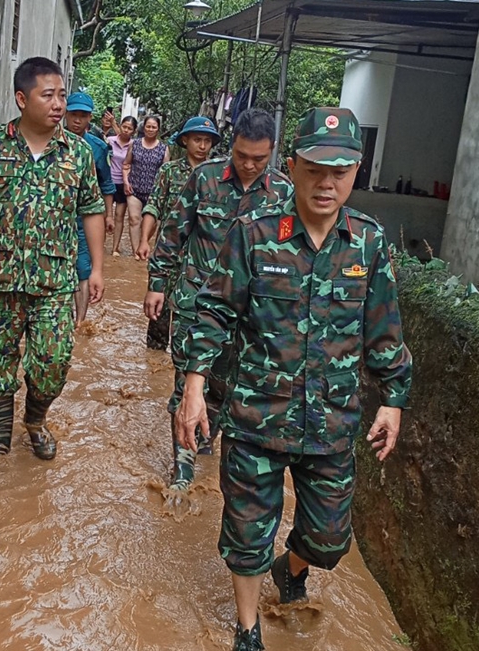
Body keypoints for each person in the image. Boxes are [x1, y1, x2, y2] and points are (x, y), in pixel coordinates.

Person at [174, 107, 413, 650]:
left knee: (330, 538)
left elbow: (385, 330)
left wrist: (393, 399)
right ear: (293, 165)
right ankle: (247, 626)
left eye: (341, 172)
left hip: (331, 420)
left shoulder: (368, 244)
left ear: (356, 171)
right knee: (246, 535)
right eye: (314, 169)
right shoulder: (255, 233)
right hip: (258, 413)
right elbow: (214, 311)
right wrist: (193, 388)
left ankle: (294, 567)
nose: (327, 184)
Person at [0, 57, 106, 466]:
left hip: (55, 283)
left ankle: (35, 422)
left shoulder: (78, 154)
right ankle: (0, 438)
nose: (59, 103)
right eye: (49, 95)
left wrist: (96, 268)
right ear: (22, 99)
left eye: (62, 94)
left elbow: (92, 210)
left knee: (53, 363)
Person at [144, 108, 293, 498]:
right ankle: (182, 470)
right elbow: (175, 233)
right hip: (196, 304)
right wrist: (157, 284)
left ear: (272, 152)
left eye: (258, 159)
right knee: (186, 383)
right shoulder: (205, 178)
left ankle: (207, 437)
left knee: (230, 389)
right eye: (241, 155)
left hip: (251, 317)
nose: (247, 165)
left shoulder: (283, 192)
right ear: (233, 146)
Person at [137, 116, 221, 351]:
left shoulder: (218, 176)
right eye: (197, 140)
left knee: (197, 314)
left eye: (207, 141)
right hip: (169, 255)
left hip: (203, 260)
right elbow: (153, 205)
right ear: (185, 140)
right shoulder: (169, 171)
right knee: (158, 314)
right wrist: (144, 240)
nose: (202, 146)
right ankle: (153, 364)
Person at [64, 92, 116, 326]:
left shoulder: (97, 148)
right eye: (73, 115)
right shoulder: (50, 142)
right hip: (55, 214)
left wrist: (108, 216)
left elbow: (106, 184)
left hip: (84, 216)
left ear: (89, 118)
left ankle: (80, 322)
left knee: (83, 268)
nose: (77, 121)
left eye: (82, 116)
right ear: (65, 114)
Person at [121, 115, 169, 259]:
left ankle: (144, 243)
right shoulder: (134, 144)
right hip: (134, 189)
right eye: (148, 126)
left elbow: (166, 171)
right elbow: (126, 164)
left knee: (152, 222)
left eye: (154, 127)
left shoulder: (163, 148)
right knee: (134, 219)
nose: (150, 129)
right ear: (144, 127)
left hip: (154, 193)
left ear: (158, 129)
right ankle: (136, 252)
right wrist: (126, 182)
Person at [107, 116, 138, 248]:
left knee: (119, 216)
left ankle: (115, 247)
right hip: (108, 182)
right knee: (105, 215)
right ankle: (100, 245)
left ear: (134, 131)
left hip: (123, 184)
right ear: (120, 126)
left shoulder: (134, 145)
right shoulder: (109, 141)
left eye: (129, 128)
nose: (126, 130)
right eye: (124, 127)